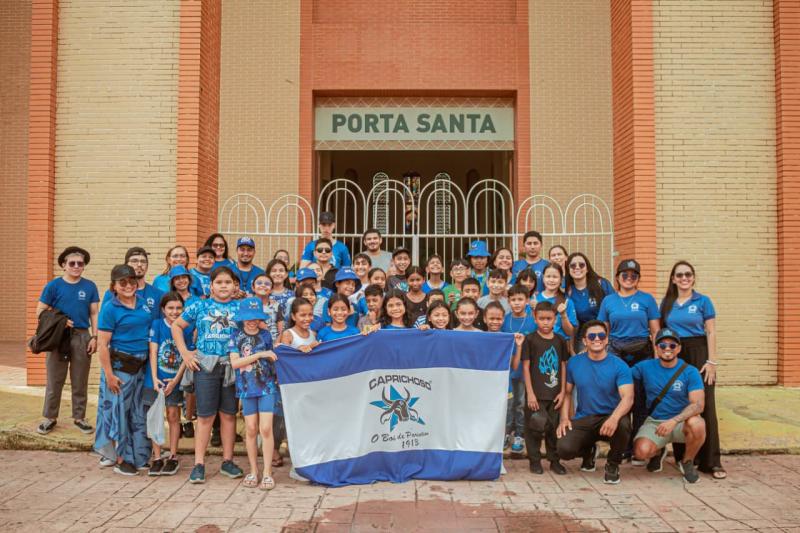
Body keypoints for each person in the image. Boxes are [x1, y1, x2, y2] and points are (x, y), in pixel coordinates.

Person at [172, 266, 244, 484]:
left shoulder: (240, 308)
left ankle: (228, 461)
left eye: (228, 282)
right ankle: (199, 463)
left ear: (235, 286)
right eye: (219, 282)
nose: (224, 286)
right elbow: (176, 325)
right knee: (205, 416)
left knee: (229, 415)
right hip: (205, 367)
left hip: (231, 366)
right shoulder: (200, 306)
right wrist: (185, 353)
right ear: (211, 285)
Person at [660, 260, 725, 479]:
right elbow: (661, 334)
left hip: (699, 353)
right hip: (676, 354)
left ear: (693, 277)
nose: (684, 278)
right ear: (673, 279)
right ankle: (684, 457)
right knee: (680, 403)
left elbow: (711, 332)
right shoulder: (667, 303)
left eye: (688, 274)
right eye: (679, 275)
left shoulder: (703, 301)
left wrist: (712, 361)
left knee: (705, 406)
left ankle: (712, 462)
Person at [598, 258, 660, 461]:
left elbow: (655, 330)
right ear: (617, 278)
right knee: (619, 398)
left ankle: (637, 444)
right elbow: (603, 330)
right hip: (617, 352)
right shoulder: (608, 301)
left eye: (634, 276)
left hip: (642, 351)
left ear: (638, 279)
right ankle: (621, 444)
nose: (629, 279)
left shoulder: (647, 299)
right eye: (625, 275)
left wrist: (657, 358)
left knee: (640, 399)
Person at [556, 321, 634, 484]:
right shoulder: (574, 363)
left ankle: (613, 464)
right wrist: (564, 418)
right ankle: (588, 450)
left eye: (601, 336)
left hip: (610, 416)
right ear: (585, 341)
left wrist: (613, 418)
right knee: (564, 450)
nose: (596, 339)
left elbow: (628, 397)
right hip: (585, 417)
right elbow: (568, 393)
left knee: (624, 424)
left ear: (606, 340)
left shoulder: (619, 365)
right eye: (592, 336)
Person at [94, 265, 152, 475]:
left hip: (141, 367)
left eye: (131, 281)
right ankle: (121, 458)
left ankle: (139, 455)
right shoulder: (110, 308)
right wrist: (109, 375)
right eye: (123, 282)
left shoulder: (144, 304)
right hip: (120, 368)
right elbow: (102, 345)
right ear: (114, 286)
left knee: (138, 411)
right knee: (120, 412)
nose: (128, 286)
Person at [36, 246, 99, 436]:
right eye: (72, 263)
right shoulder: (53, 286)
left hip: (81, 335)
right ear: (64, 265)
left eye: (80, 263)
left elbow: (94, 313)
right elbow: (39, 311)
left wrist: (94, 337)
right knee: (55, 379)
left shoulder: (90, 286)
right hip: (58, 337)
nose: (76, 266)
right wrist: (60, 321)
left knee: (80, 379)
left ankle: (79, 418)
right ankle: (49, 417)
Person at [632, 328, 706, 483]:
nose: (667, 349)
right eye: (662, 345)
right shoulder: (644, 367)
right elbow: (620, 374)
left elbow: (698, 405)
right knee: (641, 452)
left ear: (678, 348)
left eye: (672, 346)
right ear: (656, 348)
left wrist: (674, 421)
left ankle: (687, 462)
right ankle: (658, 451)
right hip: (655, 421)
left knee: (697, 424)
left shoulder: (690, 371)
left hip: (681, 423)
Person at [228, 298, 279, 490]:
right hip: (246, 389)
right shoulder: (235, 335)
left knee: (265, 429)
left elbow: (273, 358)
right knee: (250, 429)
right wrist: (259, 355)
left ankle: (267, 472)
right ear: (241, 318)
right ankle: (253, 470)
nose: (251, 321)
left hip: (267, 387)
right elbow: (235, 363)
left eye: (255, 317)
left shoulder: (266, 335)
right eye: (247, 318)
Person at [145, 292, 191, 476]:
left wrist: (176, 380)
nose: (174, 311)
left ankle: (172, 455)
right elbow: (153, 352)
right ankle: (157, 456)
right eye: (170, 308)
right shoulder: (157, 325)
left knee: (173, 416)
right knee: (155, 417)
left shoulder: (186, 328)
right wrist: (155, 378)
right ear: (163, 309)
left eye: (178, 308)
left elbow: (186, 356)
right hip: (155, 380)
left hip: (174, 380)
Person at [522, 302, 569, 475]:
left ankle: (554, 460)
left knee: (553, 428)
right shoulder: (530, 340)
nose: (545, 322)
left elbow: (563, 366)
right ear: (535, 319)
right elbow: (526, 367)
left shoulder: (560, 340)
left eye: (549, 319)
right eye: (541, 319)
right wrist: (530, 394)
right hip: (536, 393)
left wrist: (563, 391)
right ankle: (534, 460)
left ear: (555, 319)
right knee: (535, 426)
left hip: (555, 394)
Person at [502, 284, 537, 454]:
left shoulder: (533, 320)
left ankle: (520, 435)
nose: (516, 303)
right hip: (508, 371)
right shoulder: (505, 319)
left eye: (520, 299)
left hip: (525, 371)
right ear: (508, 301)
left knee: (521, 404)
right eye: (513, 300)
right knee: (508, 405)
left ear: (527, 301)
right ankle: (506, 433)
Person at [565, 252, 614, 349]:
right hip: (584, 336)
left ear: (587, 268)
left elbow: (614, 307)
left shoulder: (601, 284)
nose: (577, 267)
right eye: (573, 265)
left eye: (581, 265)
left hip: (606, 333)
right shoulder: (568, 291)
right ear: (568, 269)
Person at [102, 247, 164, 320]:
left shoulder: (159, 295)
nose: (139, 264)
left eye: (143, 261)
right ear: (126, 265)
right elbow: (103, 323)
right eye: (134, 261)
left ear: (147, 266)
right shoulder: (112, 293)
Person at [532, 263, 577, 339]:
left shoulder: (567, 301)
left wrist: (563, 315)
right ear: (543, 278)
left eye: (555, 277)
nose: (551, 280)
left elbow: (570, 332)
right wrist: (533, 311)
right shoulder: (534, 300)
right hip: (537, 344)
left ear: (561, 280)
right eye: (548, 276)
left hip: (559, 345)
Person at [251, 273, 281, 344]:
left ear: (272, 289)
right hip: (253, 343)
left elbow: (281, 330)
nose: (263, 285)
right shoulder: (247, 304)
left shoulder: (276, 305)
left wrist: (276, 344)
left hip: (273, 342)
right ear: (253, 287)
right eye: (259, 283)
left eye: (267, 284)